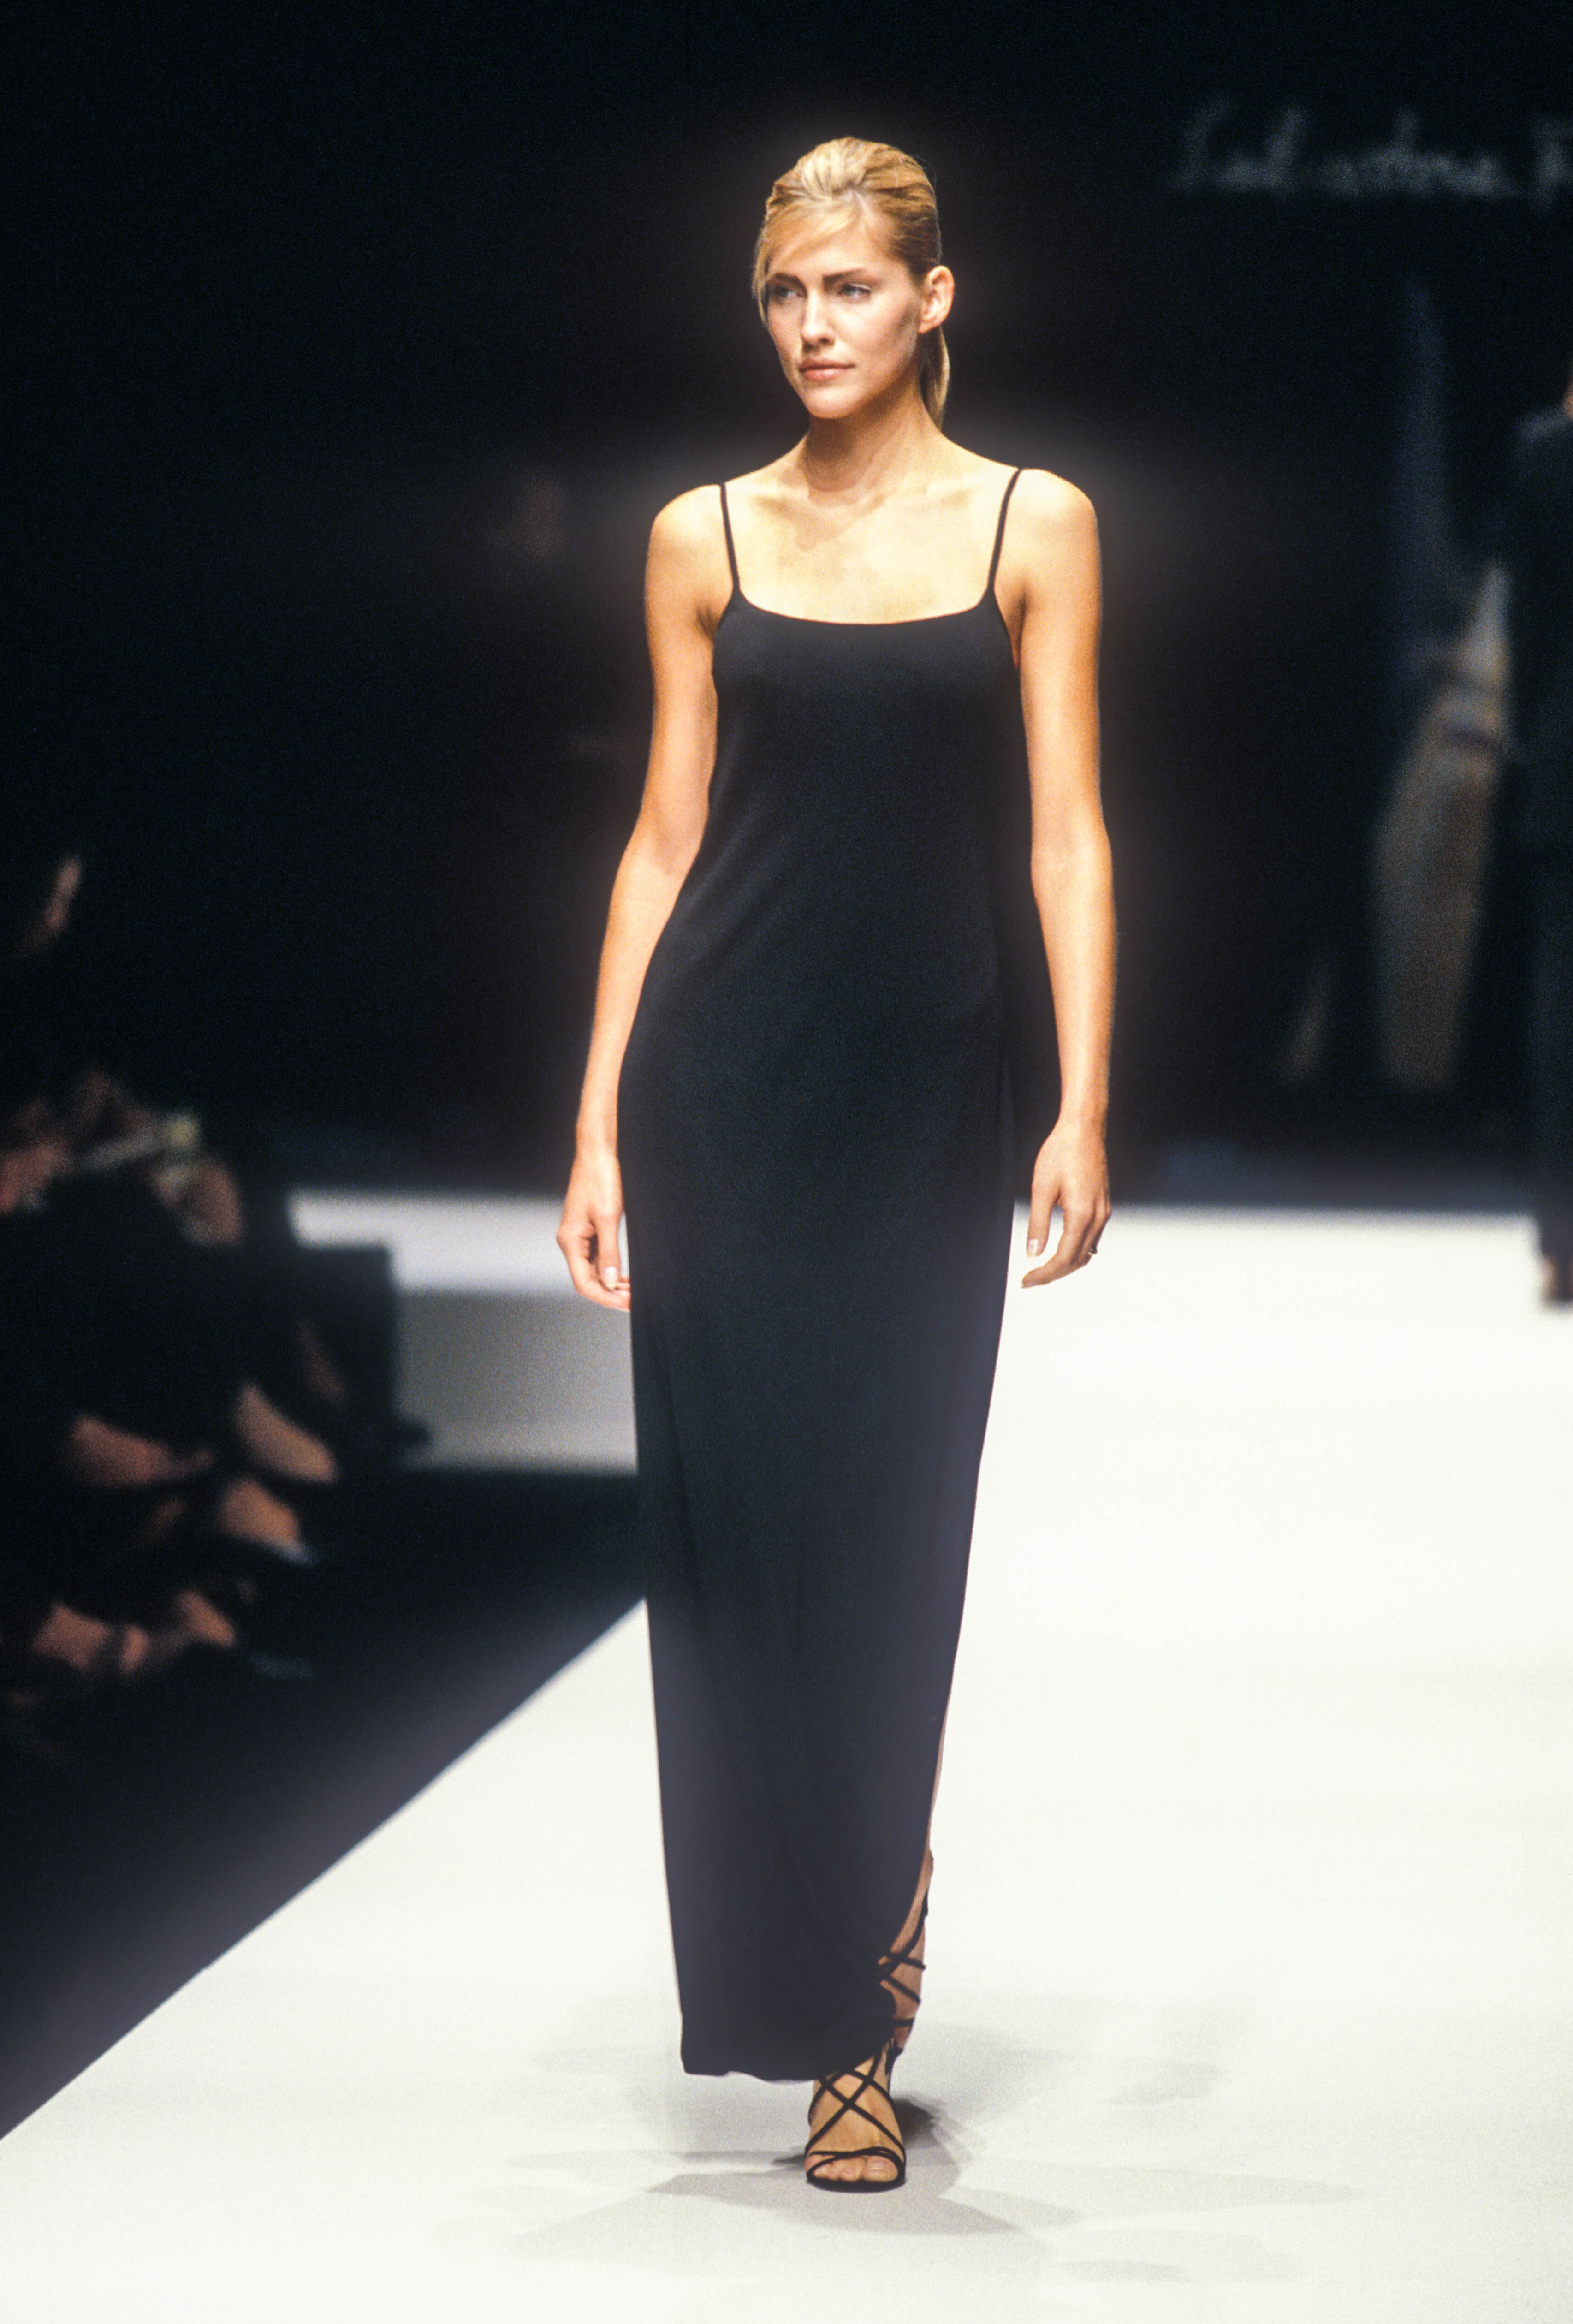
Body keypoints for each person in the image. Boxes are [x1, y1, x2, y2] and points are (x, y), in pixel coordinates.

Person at [558, 138, 1114, 2191]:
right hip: (720, 1083)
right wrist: (597, 1115)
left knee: (892, 1527)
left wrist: (1084, 1099)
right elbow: (661, 843)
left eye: (852, 289)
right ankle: (824, 2022)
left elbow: (1069, 832)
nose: (813, 325)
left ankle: (870, 1954)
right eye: (787, 292)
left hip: (929, 1092)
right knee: (737, 1546)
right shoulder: (699, 535)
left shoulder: (1033, 522)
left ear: (932, 299)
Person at [1504, 359, 1573, 1302]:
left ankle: (1563, 1236)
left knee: (1562, 1009)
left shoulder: (1546, 454)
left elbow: (1531, 618)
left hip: (1566, 752)